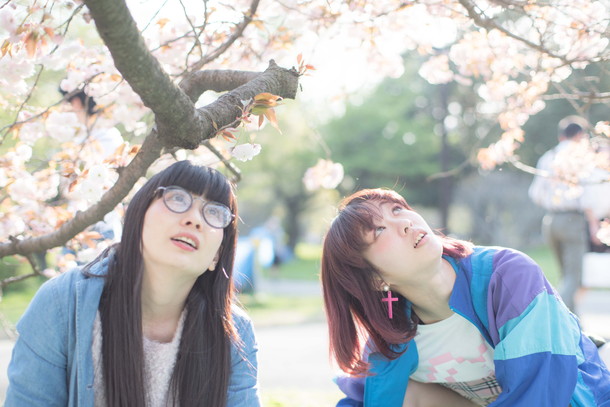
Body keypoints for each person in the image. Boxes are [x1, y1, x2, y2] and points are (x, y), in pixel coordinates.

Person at [320, 188, 610, 407]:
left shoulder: (507, 275)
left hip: (578, 398)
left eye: (397, 209)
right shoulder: (393, 334)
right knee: (401, 393)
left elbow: (541, 391)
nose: (405, 222)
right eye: (379, 230)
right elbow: (364, 399)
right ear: (374, 279)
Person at [6, 160, 261, 407]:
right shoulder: (62, 304)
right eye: (178, 198)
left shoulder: (233, 333)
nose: (194, 219)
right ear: (139, 216)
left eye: (215, 212)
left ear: (216, 255)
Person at [528, 115, 598, 313]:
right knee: (573, 277)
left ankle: (573, 322)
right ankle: (557, 318)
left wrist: (553, 203)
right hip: (572, 220)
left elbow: (535, 193)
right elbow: (588, 196)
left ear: (561, 136)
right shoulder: (581, 158)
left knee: (565, 276)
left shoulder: (547, 157)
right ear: (580, 136)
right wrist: (594, 224)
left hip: (550, 219)